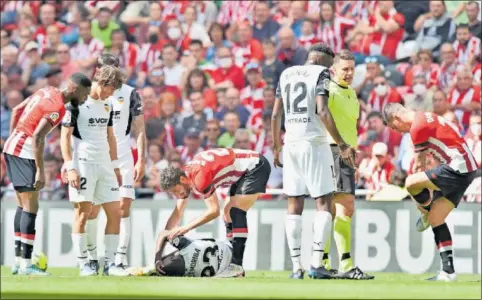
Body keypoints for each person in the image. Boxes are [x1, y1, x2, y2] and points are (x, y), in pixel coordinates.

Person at [271, 44, 356, 280]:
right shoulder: (320, 74)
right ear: (322, 61)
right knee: (324, 202)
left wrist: (276, 146)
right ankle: (317, 264)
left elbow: (275, 114)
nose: (330, 71)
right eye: (330, 66)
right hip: (314, 143)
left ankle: (296, 267)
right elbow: (323, 111)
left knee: (294, 204)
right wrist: (341, 144)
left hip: (291, 144)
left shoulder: (286, 74)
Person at [4, 72, 92, 275]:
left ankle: (18, 262)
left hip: (13, 146)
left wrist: (13, 136)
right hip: (24, 152)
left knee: (21, 205)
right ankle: (26, 265)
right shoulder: (58, 108)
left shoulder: (46, 90)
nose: (86, 98)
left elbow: (17, 109)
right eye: (85, 94)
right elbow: (37, 137)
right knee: (30, 208)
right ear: (75, 90)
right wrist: (40, 172)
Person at [381, 103, 478, 281]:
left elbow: (420, 164)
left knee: (410, 183)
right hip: (466, 168)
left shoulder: (417, 127)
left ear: (396, 118)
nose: (399, 131)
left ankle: (424, 212)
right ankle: (448, 272)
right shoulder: (423, 116)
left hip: (457, 166)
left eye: (395, 127)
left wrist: (419, 198)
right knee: (437, 218)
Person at [159, 147, 271, 278]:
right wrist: (164, 238)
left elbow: (213, 211)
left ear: (182, 180)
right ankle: (231, 263)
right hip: (245, 169)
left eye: (175, 190)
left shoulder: (199, 178)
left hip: (255, 166)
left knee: (235, 211)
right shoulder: (186, 176)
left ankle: (236, 266)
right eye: (172, 193)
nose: (176, 194)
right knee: (227, 212)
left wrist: (185, 228)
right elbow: (178, 211)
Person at [60, 65, 125, 276]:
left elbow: (111, 137)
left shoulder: (109, 104)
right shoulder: (77, 102)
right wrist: (70, 167)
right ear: (103, 83)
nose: (112, 93)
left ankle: (110, 264)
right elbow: (65, 137)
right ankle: (83, 263)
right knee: (83, 213)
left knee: (115, 212)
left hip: (105, 164)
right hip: (84, 163)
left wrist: (115, 166)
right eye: (111, 88)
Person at [84, 53, 147, 270]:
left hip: (122, 155)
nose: (109, 71)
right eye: (105, 67)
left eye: (114, 67)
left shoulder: (130, 93)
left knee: (122, 207)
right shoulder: (86, 93)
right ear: (98, 70)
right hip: (95, 157)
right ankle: (92, 258)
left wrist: (141, 160)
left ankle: (119, 259)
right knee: (91, 209)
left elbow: (139, 129)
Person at [320, 50, 374, 280]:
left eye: (352, 69)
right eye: (345, 69)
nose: (349, 73)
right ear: (334, 70)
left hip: (345, 153)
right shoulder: (328, 91)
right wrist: (341, 146)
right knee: (345, 207)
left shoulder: (351, 92)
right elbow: (321, 114)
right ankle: (345, 264)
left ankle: (322, 262)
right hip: (333, 150)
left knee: (332, 210)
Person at [126, 230, 233, 277]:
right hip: (227, 255)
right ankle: (151, 269)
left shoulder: (186, 245)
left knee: (158, 268)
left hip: (224, 254)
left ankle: (151, 269)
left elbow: (163, 234)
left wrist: (157, 259)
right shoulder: (186, 245)